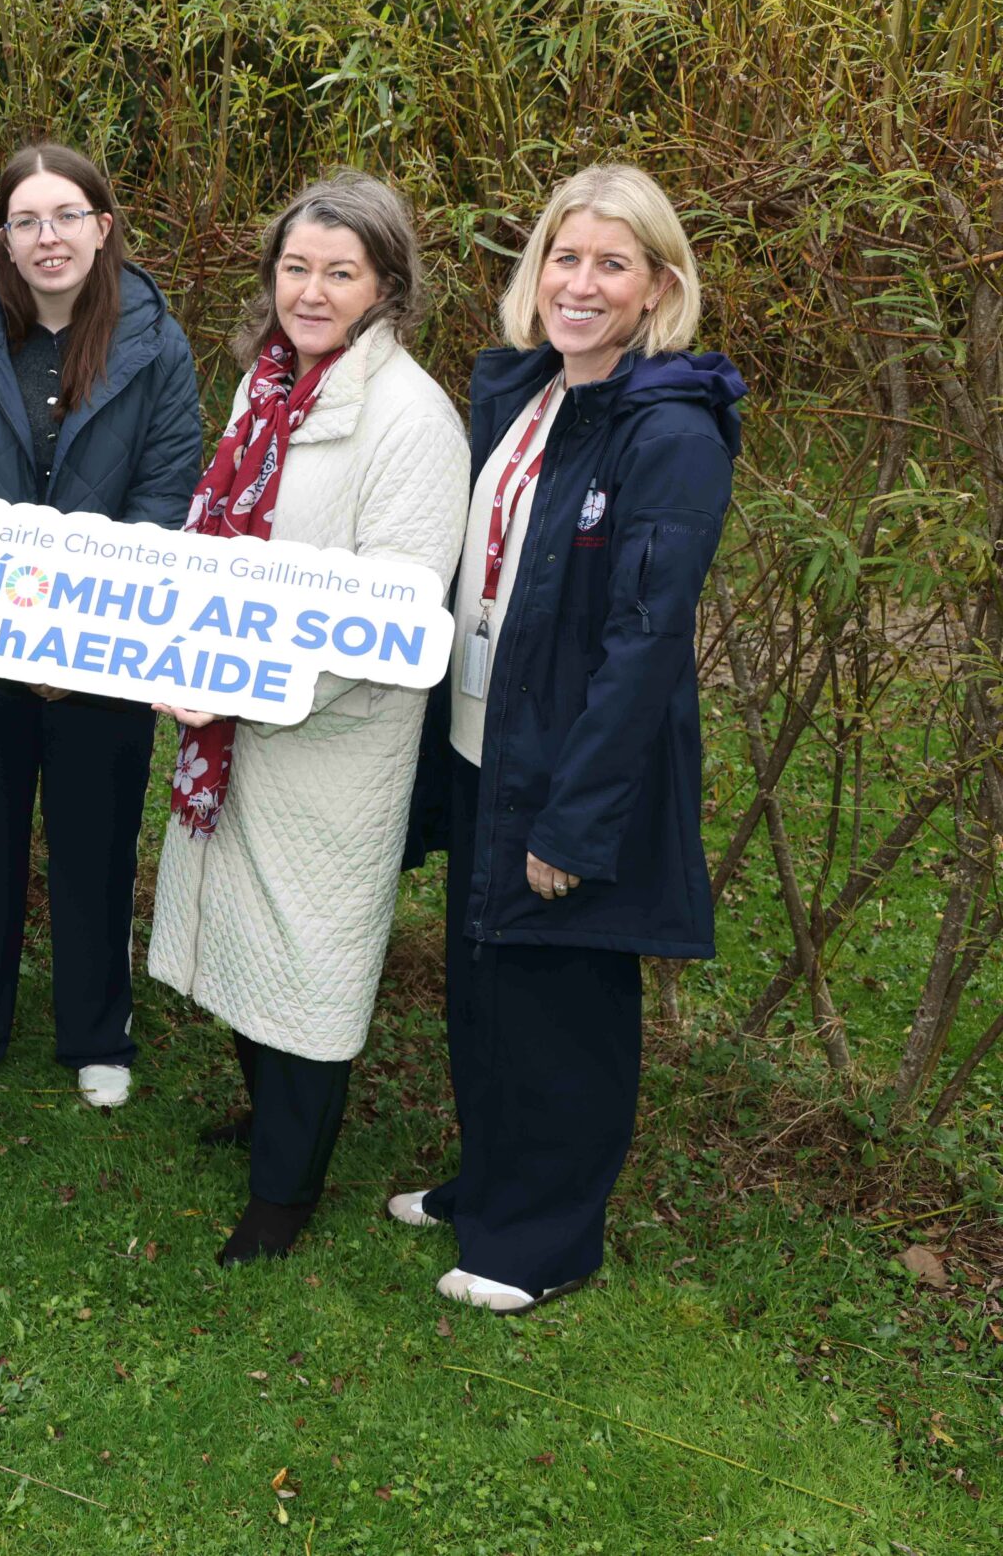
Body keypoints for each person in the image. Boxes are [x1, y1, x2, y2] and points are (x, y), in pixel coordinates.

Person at [389, 164, 743, 1314]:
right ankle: (487, 1185)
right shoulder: (527, 392)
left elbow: (644, 643)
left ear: (656, 288)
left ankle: (544, 1241)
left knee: (564, 1009)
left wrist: (578, 817)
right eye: (564, 256)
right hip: (485, 739)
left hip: (580, 766)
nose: (578, 284)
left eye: (611, 263)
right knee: (486, 984)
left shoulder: (669, 432)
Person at [140, 173, 471, 1266]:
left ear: (385, 285)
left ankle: (284, 1194)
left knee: (310, 962)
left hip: (331, 739)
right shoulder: (269, 385)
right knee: (244, 937)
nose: (312, 291)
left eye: (340, 272)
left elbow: (395, 606)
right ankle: (264, 1121)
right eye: (296, 267)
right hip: (235, 721)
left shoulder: (409, 419)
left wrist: (241, 685)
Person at [0, 143, 205, 1114]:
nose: (47, 237)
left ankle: (96, 1032)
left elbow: (164, 496)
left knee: (96, 845)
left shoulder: (155, 346)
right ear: (2, 237)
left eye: (66, 215)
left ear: (103, 225)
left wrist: (74, 639)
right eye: (26, 220)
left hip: (107, 651)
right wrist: (10, 637)